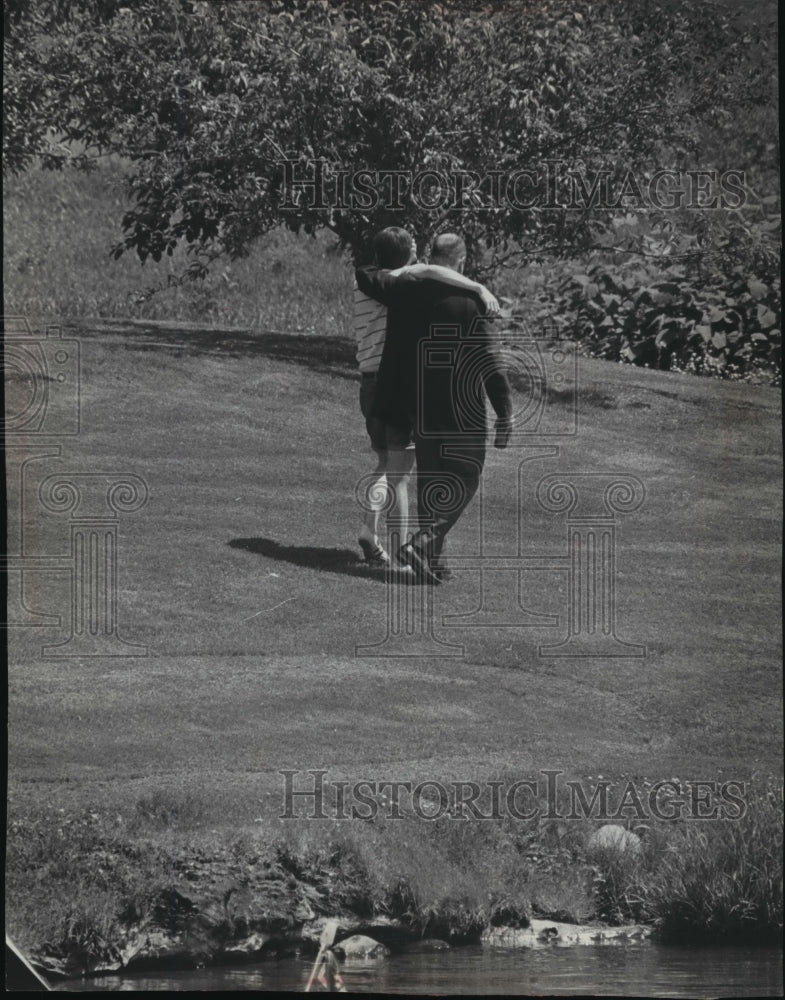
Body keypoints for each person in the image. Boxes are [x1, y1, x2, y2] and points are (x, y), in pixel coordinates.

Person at [356, 233, 513, 584]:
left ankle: (433, 561)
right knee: (465, 479)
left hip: (419, 403)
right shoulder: (475, 300)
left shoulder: (405, 288)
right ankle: (424, 544)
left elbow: (374, 274)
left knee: (431, 480)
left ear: (430, 257)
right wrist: (504, 412)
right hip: (463, 407)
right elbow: (491, 361)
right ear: (462, 260)